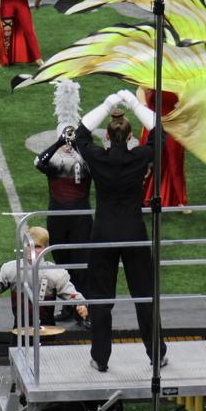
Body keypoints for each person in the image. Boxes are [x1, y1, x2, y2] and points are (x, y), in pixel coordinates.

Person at [73, 88, 165, 371]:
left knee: (101, 299)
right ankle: (156, 353)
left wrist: (105, 104)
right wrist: (136, 105)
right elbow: (160, 133)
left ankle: (100, 358)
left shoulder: (98, 158)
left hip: (103, 234)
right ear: (129, 137)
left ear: (107, 137)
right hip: (134, 232)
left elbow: (80, 134)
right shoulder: (139, 157)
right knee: (144, 295)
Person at [34, 80, 91, 317]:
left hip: (80, 217)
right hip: (57, 215)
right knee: (61, 263)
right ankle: (68, 307)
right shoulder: (54, 158)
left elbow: (98, 162)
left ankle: (82, 308)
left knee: (81, 264)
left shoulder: (86, 157)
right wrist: (58, 142)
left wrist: (78, 143)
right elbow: (39, 162)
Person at [0, 227, 88, 327]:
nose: (32, 251)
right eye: (29, 246)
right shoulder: (10, 269)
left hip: (47, 329)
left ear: (46, 248)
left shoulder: (56, 273)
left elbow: (72, 295)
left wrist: (80, 305)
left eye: (37, 247)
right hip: (20, 329)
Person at [138, 90, 186, 208]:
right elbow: (140, 89)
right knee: (148, 159)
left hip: (173, 121)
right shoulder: (151, 72)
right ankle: (142, 196)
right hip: (152, 120)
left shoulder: (180, 73)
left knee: (175, 161)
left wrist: (184, 104)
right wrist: (144, 106)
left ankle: (180, 200)